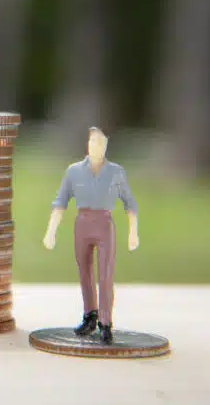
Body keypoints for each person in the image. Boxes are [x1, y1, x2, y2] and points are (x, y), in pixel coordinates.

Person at [42, 127, 138, 344]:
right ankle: (90, 315)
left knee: (105, 275)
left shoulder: (116, 172)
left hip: (104, 224)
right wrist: (51, 231)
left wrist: (133, 232)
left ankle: (106, 322)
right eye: (94, 143)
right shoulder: (74, 171)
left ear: (107, 145)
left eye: (102, 143)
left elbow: (130, 204)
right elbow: (60, 202)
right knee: (84, 273)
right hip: (82, 224)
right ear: (87, 145)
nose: (97, 147)